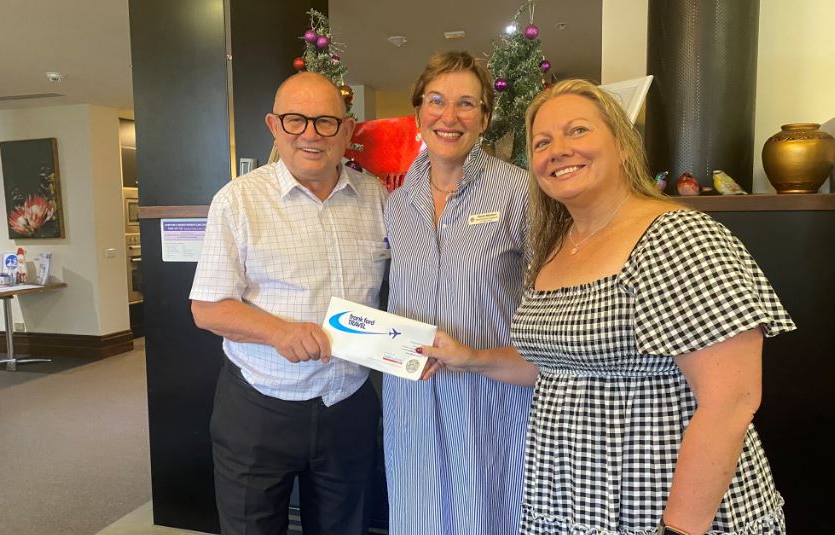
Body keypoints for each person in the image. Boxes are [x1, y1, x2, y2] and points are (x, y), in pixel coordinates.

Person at [421, 79, 794, 534]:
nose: (557, 150)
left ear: (621, 145)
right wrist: (471, 359)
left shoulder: (679, 238)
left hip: (663, 507)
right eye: (542, 141)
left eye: (577, 131)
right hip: (570, 503)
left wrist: (677, 530)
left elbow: (730, 402)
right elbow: (556, 366)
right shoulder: (555, 248)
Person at [189, 72, 387, 535]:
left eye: (325, 122)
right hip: (259, 408)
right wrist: (280, 332)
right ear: (274, 126)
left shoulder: (377, 198)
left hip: (348, 405)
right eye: (296, 121)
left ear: (348, 129)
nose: (310, 135)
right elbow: (208, 308)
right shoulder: (238, 201)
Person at [382, 51, 532, 534]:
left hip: (490, 396)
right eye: (437, 101)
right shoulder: (398, 202)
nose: (449, 117)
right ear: (419, 111)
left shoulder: (520, 192)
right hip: (413, 395)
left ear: (485, 117)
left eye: (467, 104)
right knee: (419, 513)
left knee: (489, 513)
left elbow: (548, 300)